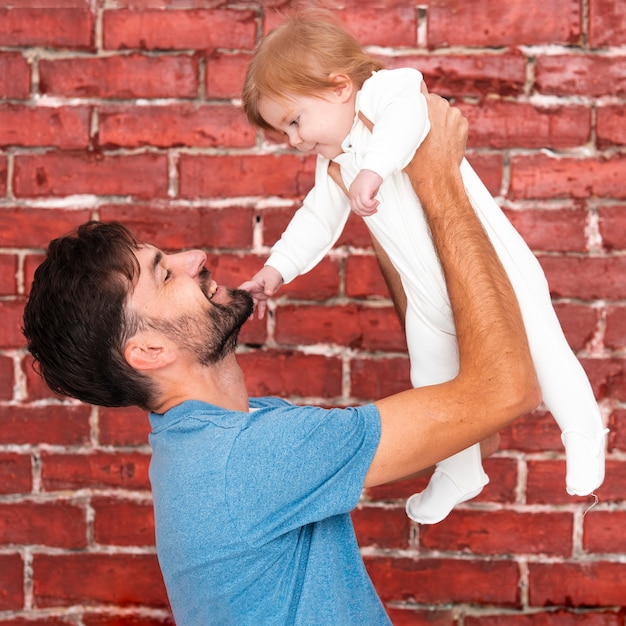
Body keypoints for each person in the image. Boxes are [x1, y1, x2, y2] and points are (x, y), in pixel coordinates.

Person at [22, 94, 539, 625]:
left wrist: (385, 207)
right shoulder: (251, 459)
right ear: (150, 351)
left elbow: (475, 431)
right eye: (163, 273)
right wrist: (439, 181)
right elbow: (506, 391)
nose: (194, 258)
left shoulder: (229, 439)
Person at [240, 9, 608, 524]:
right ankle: (460, 469)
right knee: (435, 386)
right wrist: (275, 270)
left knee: (546, 351)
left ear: (338, 86)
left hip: (495, 273)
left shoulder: (387, 94)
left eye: (295, 121)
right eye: (285, 133)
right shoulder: (338, 162)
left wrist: (375, 168)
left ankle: (584, 433)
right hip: (427, 295)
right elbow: (316, 220)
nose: (295, 141)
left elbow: (412, 121)